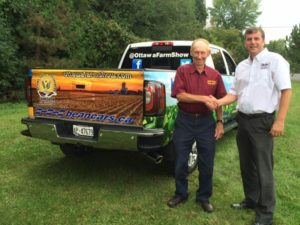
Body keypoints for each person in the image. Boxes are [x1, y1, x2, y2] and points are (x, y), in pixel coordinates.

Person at [217, 27, 292, 225]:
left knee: (263, 168)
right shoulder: (241, 65)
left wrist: (280, 121)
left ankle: (266, 214)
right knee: (246, 165)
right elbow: (234, 93)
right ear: (245, 42)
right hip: (243, 120)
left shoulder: (275, 61)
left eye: (256, 38)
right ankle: (251, 199)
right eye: (249, 39)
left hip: (263, 122)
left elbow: (286, 91)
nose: (252, 42)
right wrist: (218, 102)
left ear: (263, 40)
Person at [167, 38, 226, 213]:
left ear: (208, 54)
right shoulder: (182, 71)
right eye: (196, 52)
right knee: (180, 160)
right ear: (191, 53)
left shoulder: (215, 75)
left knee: (206, 162)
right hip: (185, 121)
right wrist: (203, 98)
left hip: (206, 122)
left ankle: (204, 197)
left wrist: (220, 122)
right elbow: (180, 95)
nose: (200, 56)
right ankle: (181, 193)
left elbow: (219, 102)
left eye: (203, 52)